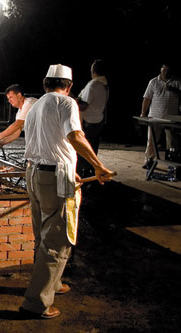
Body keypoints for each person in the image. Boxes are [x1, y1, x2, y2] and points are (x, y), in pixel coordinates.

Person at [20, 64, 114, 319]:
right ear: (69, 86)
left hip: (35, 173)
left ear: (45, 83)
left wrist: (68, 166)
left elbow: (44, 142)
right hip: (54, 178)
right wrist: (98, 165)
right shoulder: (67, 103)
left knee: (43, 234)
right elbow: (74, 135)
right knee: (58, 239)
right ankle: (37, 302)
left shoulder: (35, 105)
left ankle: (53, 283)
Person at [140, 63, 181, 169]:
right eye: (164, 70)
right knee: (152, 140)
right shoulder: (153, 81)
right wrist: (143, 113)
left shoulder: (177, 82)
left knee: (172, 142)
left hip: (171, 119)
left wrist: (174, 90)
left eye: (168, 70)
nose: (166, 72)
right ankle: (149, 160)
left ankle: (172, 163)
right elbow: (147, 98)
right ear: (160, 70)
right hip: (154, 117)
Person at [76, 59, 109, 177]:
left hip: (88, 122)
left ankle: (82, 175)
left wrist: (73, 102)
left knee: (83, 150)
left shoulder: (93, 85)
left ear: (93, 71)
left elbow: (84, 106)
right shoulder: (104, 85)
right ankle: (91, 172)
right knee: (92, 150)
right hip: (98, 121)